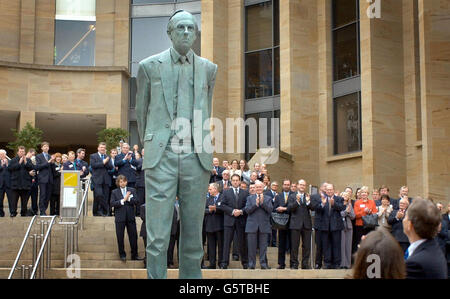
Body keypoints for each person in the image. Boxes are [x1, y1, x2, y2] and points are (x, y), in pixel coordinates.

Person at [403, 198, 447, 279]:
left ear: (410, 225)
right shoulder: (433, 249)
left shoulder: (415, 264)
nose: (403, 220)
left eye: (405, 216)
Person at [110, 175, 143, 262]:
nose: (123, 183)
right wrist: (123, 200)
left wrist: (128, 199)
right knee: (120, 237)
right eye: (121, 182)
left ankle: (134, 255)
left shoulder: (132, 190)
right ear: (118, 183)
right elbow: (112, 203)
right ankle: (122, 254)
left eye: (124, 181)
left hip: (130, 217)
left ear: (126, 182)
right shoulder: (114, 192)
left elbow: (137, 201)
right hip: (120, 218)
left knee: (133, 236)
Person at [312, 183, 344, 269]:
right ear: (326, 190)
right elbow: (317, 209)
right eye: (328, 190)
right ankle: (327, 263)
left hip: (336, 226)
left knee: (336, 245)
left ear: (333, 190)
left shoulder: (339, 198)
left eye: (331, 189)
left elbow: (342, 207)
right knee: (326, 246)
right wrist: (322, 204)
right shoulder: (322, 199)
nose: (329, 191)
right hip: (324, 227)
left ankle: (336, 263)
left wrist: (334, 204)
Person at [220, 174, 249, 269]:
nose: (235, 182)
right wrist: (232, 211)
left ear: (240, 181)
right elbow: (222, 205)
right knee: (226, 243)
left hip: (241, 221)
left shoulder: (245, 192)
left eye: (237, 180)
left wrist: (241, 211)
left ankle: (245, 262)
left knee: (242, 243)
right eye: (234, 180)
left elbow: (248, 206)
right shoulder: (226, 192)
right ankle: (224, 263)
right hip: (229, 221)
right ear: (231, 181)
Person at [245, 181, 273, 269]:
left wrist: (262, 203)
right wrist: (255, 204)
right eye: (257, 187)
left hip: (264, 225)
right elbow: (247, 210)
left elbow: (270, 210)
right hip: (252, 226)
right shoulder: (249, 198)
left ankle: (263, 264)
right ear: (254, 188)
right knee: (251, 247)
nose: (258, 189)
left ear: (263, 188)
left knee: (263, 247)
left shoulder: (268, 198)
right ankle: (251, 264)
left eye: (260, 187)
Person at [287, 179, 313, 269]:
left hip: (306, 224)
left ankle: (305, 264)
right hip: (295, 224)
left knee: (306, 246)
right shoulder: (292, 196)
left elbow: (313, 208)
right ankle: (294, 264)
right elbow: (289, 208)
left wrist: (309, 202)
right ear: (297, 185)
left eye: (304, 185)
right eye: (301, 185)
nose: (302, 186)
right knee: (294, 245)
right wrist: (297, 202)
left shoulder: (308, 196)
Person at [8, 146, 34, 217]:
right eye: (20, 151)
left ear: (25, 152)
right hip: (15, 184)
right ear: (17, 152)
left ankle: (23, 212)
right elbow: (10, 168)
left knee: (24, 201)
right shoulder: (13, 160)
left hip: (25, 184)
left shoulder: (28, 160)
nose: (22, 153)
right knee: (14, 200)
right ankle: (13, 212)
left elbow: (32, 168)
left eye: (23, 151)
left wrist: (25, 162)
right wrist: (19, 163)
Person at [90, 142, 114, 217]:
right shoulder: (93, 156)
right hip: (97, 180)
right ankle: (96, 211)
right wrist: (103, 162)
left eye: (104, 148)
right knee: (99, 195)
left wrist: (106, 161)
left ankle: (104, 212)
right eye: (101, 147)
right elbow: (93, 165)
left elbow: (110, 167)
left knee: (106, 196)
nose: (102, 149)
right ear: (98, 148)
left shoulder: (107, 156)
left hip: (106, 180)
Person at [204, 183, 224, 269]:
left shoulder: (223, 197)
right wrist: (210, 210)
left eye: (210, 189)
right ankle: (212, 264)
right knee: (211, 246)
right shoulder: (208, 199)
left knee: (221, 246)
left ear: (215, 189)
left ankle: (221, 263)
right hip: (209, 226)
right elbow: (203, 210)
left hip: (220, 225)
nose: (209, 191)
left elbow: (224, 208)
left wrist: (216, 209)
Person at [273, 179, 292, 269]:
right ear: (282, 185)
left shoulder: (294, 195)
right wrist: (278, 209)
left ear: (290, 185)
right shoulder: (278, 196)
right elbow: (274, 208)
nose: (286, 186)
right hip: (281, 223)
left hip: (292, 222)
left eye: (288, 184)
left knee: (292, 244)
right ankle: (281, 263)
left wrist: (285, 208)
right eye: (285, 184)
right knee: (281, 244)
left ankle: (293, 263)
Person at [310, 182, 328, 269]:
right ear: (321, 187)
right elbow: (314, 207)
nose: (326, 188)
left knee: (327, 245)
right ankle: (318, 263)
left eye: (327, 187)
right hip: (319, 225)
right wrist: (322, 204)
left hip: (329, 225)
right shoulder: (314, 197)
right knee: (319, 245)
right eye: (325, 186)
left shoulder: (330, 197)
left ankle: (327, 263)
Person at [35, 142, 54, 215]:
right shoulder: (38, 156)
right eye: (44, 146)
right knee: (42, 195)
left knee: (48, 196)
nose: (46, 148)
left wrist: (52, 163)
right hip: (42, 178)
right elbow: (38, 167)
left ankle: (44, 209)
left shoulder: (50, 156)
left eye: (47, 146)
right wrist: (48, 162)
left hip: (49, 179)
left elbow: (52, 169)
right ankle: (42, 211)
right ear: (42, 148)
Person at [340, 191, 354, 269]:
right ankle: (342, 264)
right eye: (343, 195)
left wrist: (348, 212)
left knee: (348, 246)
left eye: (346, 195)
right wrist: (346, 212)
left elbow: (353, 216)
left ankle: (348, 264)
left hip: (349, 227)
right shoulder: (338, 204)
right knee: (342, 246)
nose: (345, 196)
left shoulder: (349, 205)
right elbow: (339, 214)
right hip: (341, 226)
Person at [168, 199, 180, 268]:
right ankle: (170, 262)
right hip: (171, 228)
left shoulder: (182, 203)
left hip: (180, 227)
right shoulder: (169, 203)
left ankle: (181, 263)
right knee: (170, 247)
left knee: (180, 247)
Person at [107, 148, 119, 216]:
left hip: (117, 180)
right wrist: (114, 169)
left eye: (115, 153)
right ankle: (109, 211)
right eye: (113, 153)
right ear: (110, 154)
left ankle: (116, 211)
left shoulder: (119, 160)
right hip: (110, 180)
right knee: (109, 196)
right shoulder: (108, 161)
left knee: (117, 196)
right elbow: (108, 171)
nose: (114, 154)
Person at [26, 148, 38, 215]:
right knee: (26, 198)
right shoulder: (25, 160)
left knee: (34, 198)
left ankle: (35, 211)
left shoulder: (34, 161)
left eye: (34, 155)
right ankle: (24, 211)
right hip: (27, 183)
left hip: (35, 183)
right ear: (29, 153)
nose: (33, 156)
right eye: (32, 154)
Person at [0, 149, 12, 217]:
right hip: (0, 184)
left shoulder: (10, 161)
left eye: (2, 154)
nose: (1, 155)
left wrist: (7, 164)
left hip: (8, 184)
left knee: (11, 199)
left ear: (5, 155)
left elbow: (12, 170)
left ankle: (12, 212)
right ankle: (1, 213)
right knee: (0, 200)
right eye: (0, 154)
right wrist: (2, 165)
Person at [135, 148, 145, 217]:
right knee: (140, 199)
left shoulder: (152, 160)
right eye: (144, 151)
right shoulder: (139, 160)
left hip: (149, 184)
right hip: (140, 183)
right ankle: (138, 213)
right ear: (142, 153)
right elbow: (137, 168)